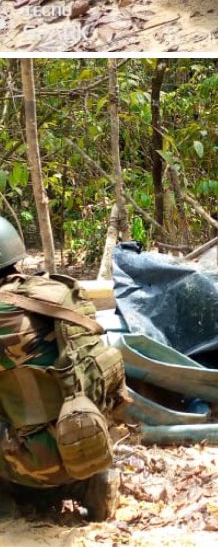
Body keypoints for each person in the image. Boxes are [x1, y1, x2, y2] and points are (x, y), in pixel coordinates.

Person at [0, 217, 122, 520]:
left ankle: (10, 496)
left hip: (33, 461)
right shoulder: (57, 292)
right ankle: (87, 485)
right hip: (89, 444)